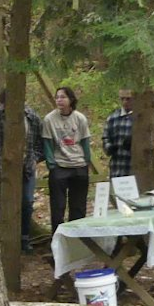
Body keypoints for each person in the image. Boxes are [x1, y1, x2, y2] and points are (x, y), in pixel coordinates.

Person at [0, 91, 44, 252]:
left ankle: (24, 238)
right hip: (2, 169)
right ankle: (2, 239)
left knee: (27, 202)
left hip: (26, 168)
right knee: (2, 203)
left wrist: (34, 158)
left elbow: (41, 142)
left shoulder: (31, 116)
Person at [41, 86, 92, 231]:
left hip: (79, 165)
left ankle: (77, 239)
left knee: (78, 207)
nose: (59, 100)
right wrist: (52, 165)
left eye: (63, 97)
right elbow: (47, 142)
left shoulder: (80, 118)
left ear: (71, 99)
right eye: (57, 97)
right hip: (60, 166)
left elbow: (85, 141)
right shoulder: (49, 119)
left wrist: (86, 161)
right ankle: (58, 238)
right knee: (58, 207)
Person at [101, 91, 136, 183]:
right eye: (122, 99)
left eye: (128, 99)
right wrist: (109, 147)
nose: (125, 102)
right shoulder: (113, 118)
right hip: (117, 167)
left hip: (134, 169)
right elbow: (105, 138)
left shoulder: (140, 118)